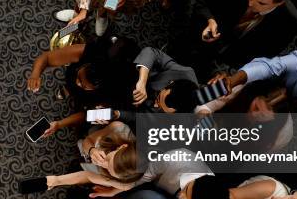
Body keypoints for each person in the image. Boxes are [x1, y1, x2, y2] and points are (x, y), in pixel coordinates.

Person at [168, 0, 297, 74]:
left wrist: (229, 71)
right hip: (201, 37)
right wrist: (210, 20)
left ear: (280, 3)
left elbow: (264, 55)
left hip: (233, 59)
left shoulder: (289, 23)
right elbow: (202, 2)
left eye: (261, 3)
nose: (251, 3)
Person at [41, 47, 199, 136]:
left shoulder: (176, 125)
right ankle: (75, 89)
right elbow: (152, 52)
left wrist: (117, 114)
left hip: (129, 106)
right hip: (135, 75)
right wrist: (142, 80)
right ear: (170, 84)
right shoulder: (185, 74)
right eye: (160, 98)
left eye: (161, 107)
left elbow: (139, 119)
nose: (156, 104)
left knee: (94, 122)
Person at [27, 35, 139, 110]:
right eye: (79, 77)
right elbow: (46, 57)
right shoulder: (91, 52)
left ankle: (73, 92)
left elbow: (86, 115)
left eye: (83, 84)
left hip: (96, 98)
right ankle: (68, 90)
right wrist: (35, 74)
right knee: (72, 84)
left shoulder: (115, 92)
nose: (77, 82)